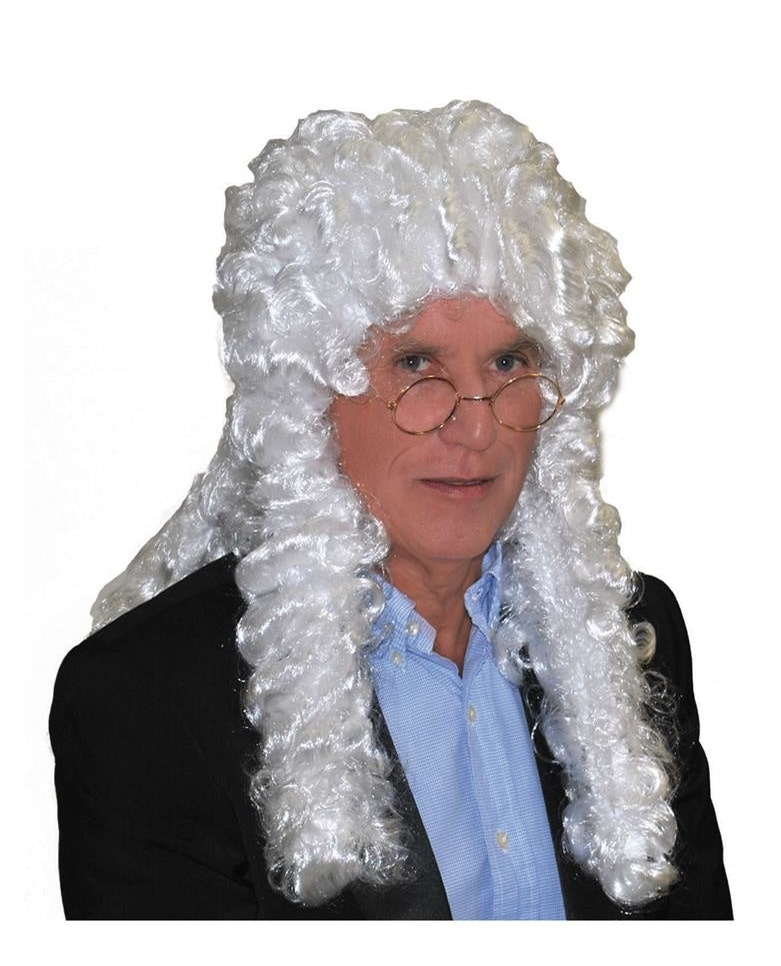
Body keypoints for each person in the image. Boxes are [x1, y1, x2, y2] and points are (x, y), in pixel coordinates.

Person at [49, 100, 732, 920]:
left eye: (509, 363)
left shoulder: (635, 641)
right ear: (310, 396)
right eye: (415, 365)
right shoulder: (144, 699)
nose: (476, 427)